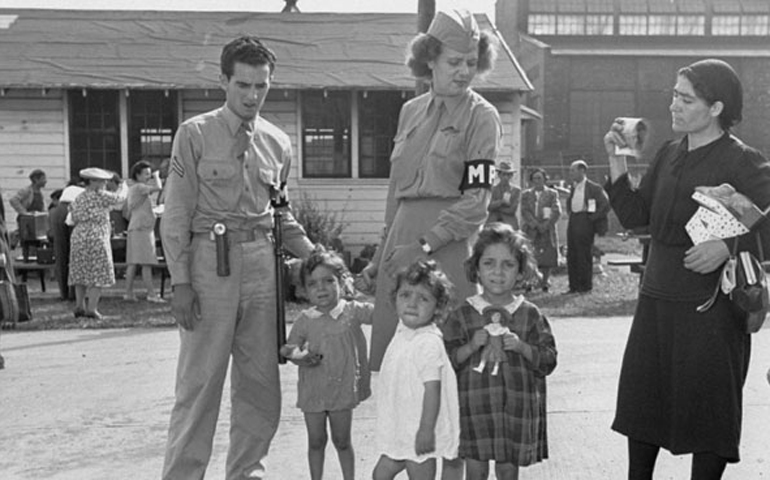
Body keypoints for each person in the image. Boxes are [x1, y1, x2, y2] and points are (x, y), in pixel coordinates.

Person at [603, 58, 770, 480]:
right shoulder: (669, 153)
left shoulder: (742, 161)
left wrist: (729, 246)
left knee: (709, 417)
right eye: (673, 96)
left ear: (716, 108)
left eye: (686, 98)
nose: (673, 106)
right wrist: (618, 161)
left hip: (710, 310)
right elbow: (636, 216)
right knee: (643, 409)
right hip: (656, 300)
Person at [160, 35, 314, 480]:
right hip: (211, 263)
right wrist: (182, 282)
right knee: (200, 384)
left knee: (261, 384)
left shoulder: (278, 143)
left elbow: (281, 215)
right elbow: (175, 216)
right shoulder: (194, 134)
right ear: (223, 80)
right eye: (243, 84)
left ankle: (248, 472)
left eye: (261, 86)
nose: (252, 96)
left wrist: (320, 258)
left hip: (262, 265)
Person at [359, 8, 503, 371]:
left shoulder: (482, 117)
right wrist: (381, 256)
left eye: (472, 62)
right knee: (399, 361)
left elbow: (477, 202)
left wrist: (422, 247)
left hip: (448, 244)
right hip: (401, 239)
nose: (464, 71)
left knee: (445, 357)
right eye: (454, 61)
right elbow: (396, 191)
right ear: (429, 60)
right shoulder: (410, 111)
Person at [442, 223, 557, 480]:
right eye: (489, 263)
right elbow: (447, 361)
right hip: (474, 409)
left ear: (520, 271)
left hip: (514, 408)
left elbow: (548, 360)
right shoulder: (462, 314)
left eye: (508, 264)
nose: (498, 272)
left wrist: (523, 347)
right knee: (476, 470)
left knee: (507, 469)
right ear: (477, 269)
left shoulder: (529, 314)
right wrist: (471, 346)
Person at [281, 248, 372, 480]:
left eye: (328, 281)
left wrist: (369, 289)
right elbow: (288, 349)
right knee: (316, 441)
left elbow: (382, 314)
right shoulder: (305, 319)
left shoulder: (352, 312)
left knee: (342, 441)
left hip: (342, 389)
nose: (321, 288)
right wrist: (300, 357)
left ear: (341, 282)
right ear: (304, 290)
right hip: (313, 391)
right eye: (313, 284)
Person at [373, 259, 461, 480]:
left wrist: (426, 430)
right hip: (401, 423)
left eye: (423, 298)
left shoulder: (428, 342)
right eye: (405, 295)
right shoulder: (403, 330)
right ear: (395, 299)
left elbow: (433, 390)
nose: (412, 304)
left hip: (419, 427)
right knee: (380, 475)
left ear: (438, 307)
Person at [68, 168, 127, 319]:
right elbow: (120, 198)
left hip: (78, 235)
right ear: (92, 182)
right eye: (101, 180)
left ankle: (79, 306)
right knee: (98, 273)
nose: (105, 183)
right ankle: (92, 309)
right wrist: (122, 185)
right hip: (96, 235)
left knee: (79, 273)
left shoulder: (79, 197)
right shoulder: (100, 195)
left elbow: (72, 218)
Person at [565, 159, 609, 293]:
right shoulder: (573, 186)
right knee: (571, 254)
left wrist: (592, 218)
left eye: (573, 170)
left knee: (583, 254)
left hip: (585, 220)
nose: (570, 173)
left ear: (582, 171)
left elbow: (605, 204)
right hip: (574, 219)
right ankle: (573, 286)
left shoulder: (593, 187)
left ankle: (585, 286)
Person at [123, 160, 164, 302]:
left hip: (136, 227)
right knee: (146, 262)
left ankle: (128, 293)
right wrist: (157, 175)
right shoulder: (139, 187)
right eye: (146, 174)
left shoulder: (134, 188)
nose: (149, 176)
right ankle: (151, 294)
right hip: (142, 229)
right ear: (137, 175)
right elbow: (158, 187)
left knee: (133, 263)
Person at [520, 168, 561, 292]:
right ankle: (529, 282)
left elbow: (556, 210)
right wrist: (535, 224)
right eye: (534, 179)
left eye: (539, 178)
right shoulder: (526, 194)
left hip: (547, 229)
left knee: (547, 255)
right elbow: (525, 211)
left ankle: (545, 282)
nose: (537, 181)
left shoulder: (552, 193)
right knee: (530, 255)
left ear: (545, 179)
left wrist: (546, 224)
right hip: (531, 229)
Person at [49, 182, 84, 301]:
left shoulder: (68, 190)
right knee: (75, 253)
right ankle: (74, 292)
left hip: (58, 211)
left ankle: (63, 292)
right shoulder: (85, 191)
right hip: (73, 209)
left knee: (60, 253)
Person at [487, 161, 520, 230]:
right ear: (499, 175)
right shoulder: (492, 189)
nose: (506, 177)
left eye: (509, 175)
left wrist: (496, 207)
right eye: (504, 174)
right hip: (493, 223)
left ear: (511, 176)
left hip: (509, 223)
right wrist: (501, 202)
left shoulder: (516, 190)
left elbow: (512, 209)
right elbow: (489, 207)